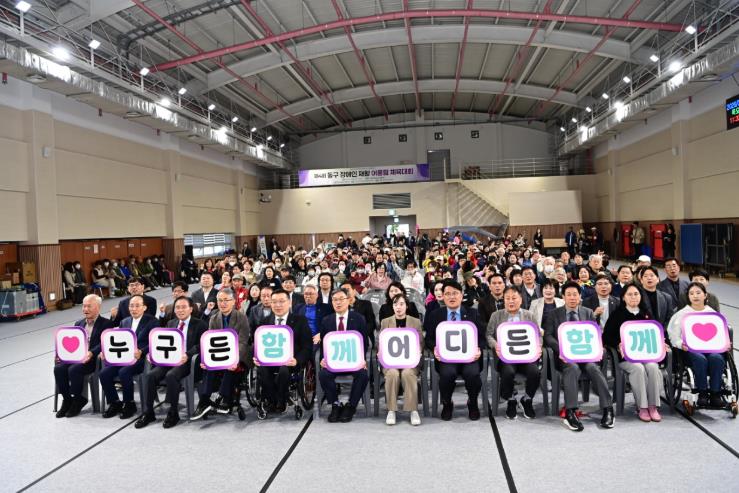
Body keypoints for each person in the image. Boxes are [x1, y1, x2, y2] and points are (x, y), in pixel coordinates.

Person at [543, 281, 614, 432]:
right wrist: (561, 350)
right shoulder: (554, 314)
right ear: (563, 297)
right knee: (572, 368)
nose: (572, 297)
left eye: (575, 294)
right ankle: (571, 411)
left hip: (585, 355)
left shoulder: (588, 313)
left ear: (580, 296)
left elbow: (594, 333)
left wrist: (598, 348)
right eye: (568, 294)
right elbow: (548, 336)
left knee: (593, 368)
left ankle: (608, 408)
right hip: (565, 357)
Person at [136, 296, 207, 429]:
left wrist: (188, 355)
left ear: (191, 309)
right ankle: (148, 412)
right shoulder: (171, 323)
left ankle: (173, 412)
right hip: (169, 359)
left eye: (183, 307)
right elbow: (162, 341)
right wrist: (153, 353)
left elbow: (201, 345)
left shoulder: (200, 324)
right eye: (177, 308)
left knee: (171, 375)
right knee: (150, 375)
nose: (180, 310)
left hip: (187, 361)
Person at [603, 283, 667, 422]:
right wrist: (617, 344)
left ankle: (653, 406)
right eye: (630, 294)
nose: (633, 297)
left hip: (646, 355)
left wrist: (661, 342)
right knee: (638, 368)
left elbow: (656, 332)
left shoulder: (646, 314)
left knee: (653, 367)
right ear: (623, 297)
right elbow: (606, 337)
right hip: (626, 357)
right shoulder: (617, 315)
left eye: (636, 294)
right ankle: (642, 406)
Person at [424, 279, 485, 421]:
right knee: (447, 374)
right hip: (446, 358)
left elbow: (482, 338)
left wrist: (479, 349)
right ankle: (447, 403)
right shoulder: (436, 315)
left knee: (472, 374)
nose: (451, 297)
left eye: (455, 293)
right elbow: (429, 339)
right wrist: (434, 348)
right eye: (448, 294)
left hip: (469, 357)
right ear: (443, 296)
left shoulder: (473, 313)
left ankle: (472, 402)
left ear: (461, 295)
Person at [191, 288, 252, 419]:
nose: (222, 303)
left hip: (238, 355)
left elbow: (243, 342)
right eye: (220, 300)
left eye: (226, 300)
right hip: (219, 355)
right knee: (208, 367)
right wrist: (206, 360)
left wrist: (234, 359)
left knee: (230, 366)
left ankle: (225, 398)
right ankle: (204, 401)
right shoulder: (214, 318)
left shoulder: (241, 317)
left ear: (233, 301)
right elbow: (210, 341)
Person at [667, 282, 728, 408]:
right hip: (690, 350)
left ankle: (715, 393)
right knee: (700, 359)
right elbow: (673, 335)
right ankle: (702, 392)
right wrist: (680, 344)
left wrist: (726, 342)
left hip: (711, 349)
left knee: (717, 358)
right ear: (688, 297)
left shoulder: (713, 314)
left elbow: (722, 333)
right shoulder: (682, 314)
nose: (695, 296)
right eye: (691, 293)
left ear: (705, 295)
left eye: (698, 293)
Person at [54, 295, 114, 418]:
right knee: (58, 368)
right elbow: (71, 342)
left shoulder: (107, 324)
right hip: (76, 357)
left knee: (73, 369)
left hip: (92, 360)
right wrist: (61, 354)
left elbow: (105, 343)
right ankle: (67, 400)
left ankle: (78, 399)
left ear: (98, 307)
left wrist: (91, 352)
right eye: (84, 306)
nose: (85, 309)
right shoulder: (79, 323)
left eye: (89, 306)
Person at [253, 289, 312, 413]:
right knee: (261, 369)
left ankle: (280, 400)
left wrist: (297, 360)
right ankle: (272, 399)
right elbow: (257, 344)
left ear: (289, 303)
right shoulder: (265, 322)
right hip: (269, 360)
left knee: (284, 370)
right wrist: (256, 356)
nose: (278, 305)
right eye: (274, 302)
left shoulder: (300, 321)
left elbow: (307, 346)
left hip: (290, 362)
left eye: (281, 301)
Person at [99, 295, 158, 419]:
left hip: (141, 359)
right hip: (124, 357)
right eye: (131, 306)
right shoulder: (124, 321)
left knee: (124, 372)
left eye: (137, 306)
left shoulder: (152, 321)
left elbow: (155, 342)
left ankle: (129, 403)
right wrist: (106, 351)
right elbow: (117, 340)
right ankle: (114, 402)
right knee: (104, 373)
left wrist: (142, 351)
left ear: (144, 307)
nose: (133, 309)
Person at [486, 287, 540, 420]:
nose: (511, 301)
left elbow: (538, 334)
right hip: (506, 358)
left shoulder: (529, 315)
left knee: (535, 372)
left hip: (526, 357)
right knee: (508, 372)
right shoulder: (496, 315)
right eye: (507, 298)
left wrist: (539, 346)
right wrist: (495, 344)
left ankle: (527, 399)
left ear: (521, 300)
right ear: (503, 300)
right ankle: (511, 400)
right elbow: (489, 335)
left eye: (514, 298)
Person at [318, 288, 370, 423]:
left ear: (348, 300)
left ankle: (351, 406)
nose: (338, 302)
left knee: (362, 375)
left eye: (341, 299)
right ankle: (335, 404)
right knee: (323, 374)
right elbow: (324, 343)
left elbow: (364, 342)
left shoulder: (359, 319)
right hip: (334, 361)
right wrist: (323, 359)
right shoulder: (326, 320)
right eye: (335, 300)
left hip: (353, 361)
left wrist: (362, 359)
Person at [378, 293, 423, 426]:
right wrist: (380, 350)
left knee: (408, 373)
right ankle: (391, 410)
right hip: (390, 362)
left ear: (406, 306)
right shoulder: (385, 322)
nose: (398, 307)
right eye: (395, 304)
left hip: (410, 361)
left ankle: (413, 410)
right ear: (392, 306)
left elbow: (420, 342)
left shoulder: (415, 322)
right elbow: (380, 342)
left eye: (401, 304)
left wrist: (419, 350)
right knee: (392, 374)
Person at [341, 281, 378, 346]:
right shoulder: (340, 307)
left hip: (364, 337)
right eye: (343, 291)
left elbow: (371, 323)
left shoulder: (366, 304)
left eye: (348, 289)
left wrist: (359, 334)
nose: (346, 292)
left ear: (354, 291)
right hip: (346, 340)